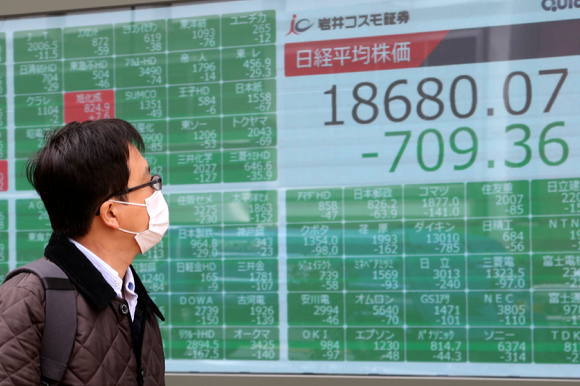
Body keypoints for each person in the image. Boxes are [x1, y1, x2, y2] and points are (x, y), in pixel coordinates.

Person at [0, 119, 168, 385]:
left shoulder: (133, 298)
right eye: (148, 182)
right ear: (112, 213)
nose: (156, 191)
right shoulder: (27, 300)